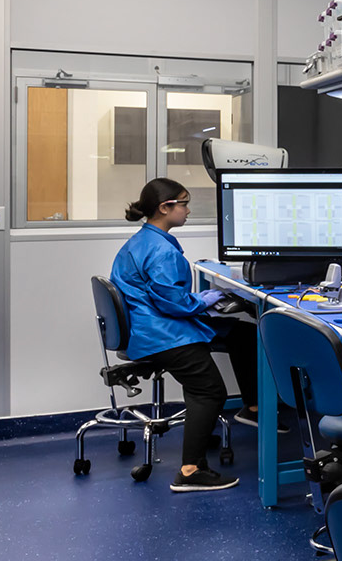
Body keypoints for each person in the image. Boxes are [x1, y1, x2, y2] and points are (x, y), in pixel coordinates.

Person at [111, 177, 260, 493]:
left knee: (243, 333)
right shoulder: (161, 251)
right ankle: (191, 471)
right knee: (210, 391)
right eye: (184, 204)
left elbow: (165, 296)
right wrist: (204, 301)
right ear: (165, 208)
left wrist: (202, 303)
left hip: (149, 326)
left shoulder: (142, 240)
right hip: (163, 333)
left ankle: (253, 408)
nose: (188, 210)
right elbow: (174, 303)